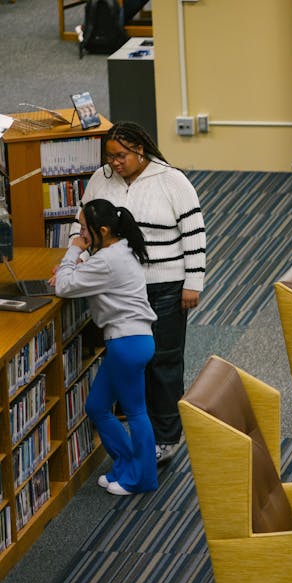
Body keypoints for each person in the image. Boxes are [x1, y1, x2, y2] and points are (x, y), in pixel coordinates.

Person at [78, 122, 207, 466]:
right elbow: (85, 225)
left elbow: (193, 232)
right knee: (130, 359)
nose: (114, 163)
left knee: (163, 361)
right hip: (119, 286)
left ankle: (166, 437)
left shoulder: (172, 180)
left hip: (165, 285)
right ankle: (140, 428)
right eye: (109, 156)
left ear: (140, 150)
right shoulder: (101, 179)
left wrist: (193, 282)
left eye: (121, 156)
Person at [50, 199, 157, 496]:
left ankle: (142, 479)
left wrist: (74, 251)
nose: (81, 234)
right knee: (96, 406)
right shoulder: (119, 248)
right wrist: (78, 265)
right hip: (131, 340)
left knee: (136, 413)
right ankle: (126, 465)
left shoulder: (107, 260)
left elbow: (64, 286)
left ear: (103, 230)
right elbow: (76, 278)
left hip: (127, 343)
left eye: (84, 229)